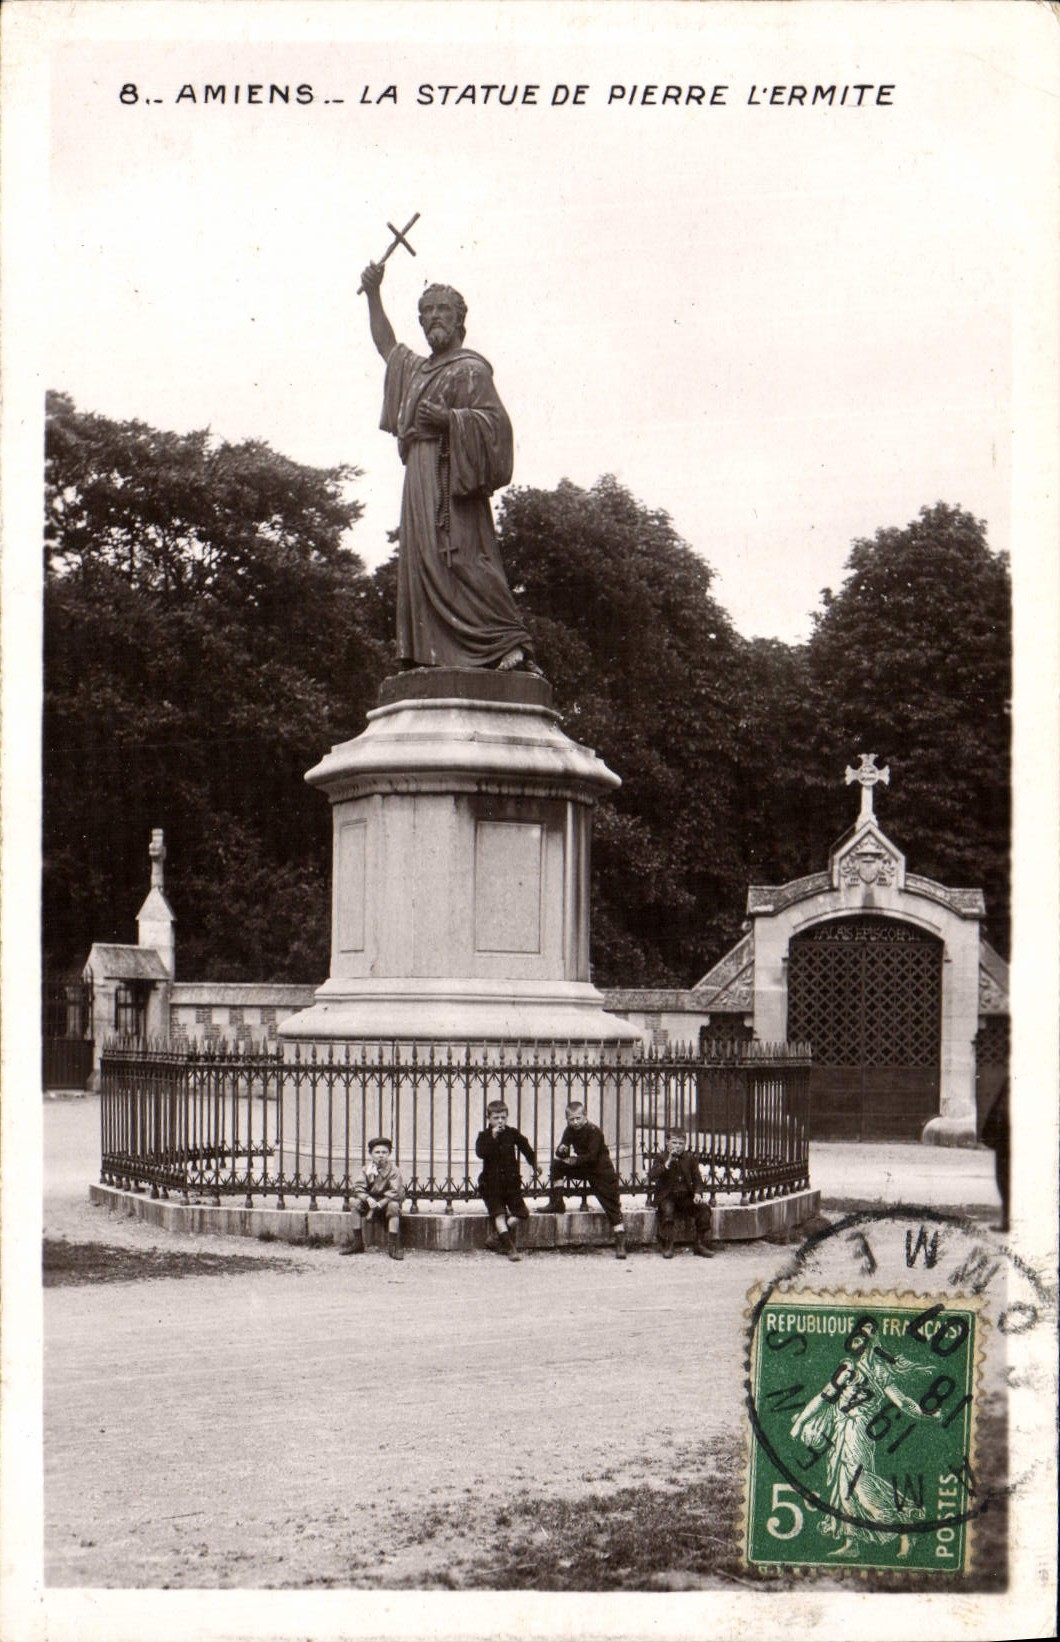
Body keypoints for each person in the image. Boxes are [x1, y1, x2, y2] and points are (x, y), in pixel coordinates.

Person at [360, 261, 538, 673]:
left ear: (460, 319)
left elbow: (497, 426)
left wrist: (450, 421)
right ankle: (430, 653)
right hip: (419, 476)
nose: (433, 317)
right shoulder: (418, 370)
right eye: (426, 311)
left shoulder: (470, 369)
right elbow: (388, 347)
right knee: (424, 561)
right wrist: (373, 295)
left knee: (465, 556)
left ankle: (508, 642)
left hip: (453, 477)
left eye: (442, 309)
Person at [789, 1318, 936, 1559]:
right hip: (840, 1430)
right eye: (855, 1337)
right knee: (843, 1487)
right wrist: (800, 1421)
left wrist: (925, 1414)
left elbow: (902, 1402)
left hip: (859, 1430)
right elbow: (823, 1397)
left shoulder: (880, 1372)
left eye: (864, 1337)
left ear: (872, 1341)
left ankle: (906, 1527)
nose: (858, 1341)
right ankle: (852, 1543)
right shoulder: (847, 1368)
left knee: (861, 1486)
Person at [543, 1102, 627, 1259]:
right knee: (556, 1166)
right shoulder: (569, 1130)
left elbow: (592, 1156)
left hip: (601, 1171)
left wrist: (573, 1161)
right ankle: (557, 1202)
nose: (575, 1122)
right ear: (567, 1120)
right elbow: (563, 1150)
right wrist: (561, 1150)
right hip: (584, 1168)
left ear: (585, 1116)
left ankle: (621, 1242)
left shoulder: (594, 1131)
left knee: (612, 1206)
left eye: (578, 1118)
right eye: (571, 1119)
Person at [475, 1100, 538, 1262]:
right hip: (491, 1184)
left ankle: (497, 1237)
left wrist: (534, 1163)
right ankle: (510, 1247)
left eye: (503, 1117)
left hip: (511, 1183)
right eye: (496, 1118)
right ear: (489, 1119)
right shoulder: (484, 1136)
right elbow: (480, 1153)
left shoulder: (512, 1133)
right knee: (499, 1213)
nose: (500, 1121)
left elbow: (525, 1147)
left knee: (522, 1213)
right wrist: (493, 1137)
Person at [648, 1128, 714, 1258]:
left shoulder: (690, 1158)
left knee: (704, 1210)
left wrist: (697, 1193)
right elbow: (652, 1175)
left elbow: (698, 1180)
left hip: (685, 1197)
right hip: (668, 1196)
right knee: (667, 1212)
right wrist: (667, 1163)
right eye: (674, 1142)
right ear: (667, 1143)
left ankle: (699, 1243)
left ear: (685, 1144)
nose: (677, 1146)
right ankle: (668, 1244)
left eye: (680, 1143)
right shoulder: (661, 1157)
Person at [340, 1137, 406, 1261]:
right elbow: (358, 1187)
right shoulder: (366, 1170)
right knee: (354, 1203)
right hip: (370, 1201)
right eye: (377, 1152)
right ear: (371, 1154)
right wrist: (368, 1199)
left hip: (386, 1202)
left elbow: (396, 1191)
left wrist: (380, 1204)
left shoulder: (394, 1171)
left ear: (389, 1154)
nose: (380, 1156)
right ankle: (358, 1243)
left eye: (384, 1152)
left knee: (394, 1207)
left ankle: (392, 1246)